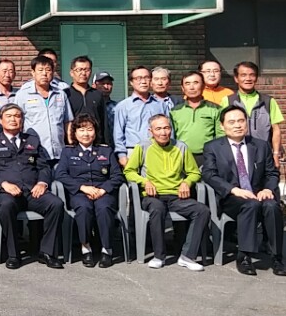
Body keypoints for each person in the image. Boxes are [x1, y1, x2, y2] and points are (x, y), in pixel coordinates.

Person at [202, 105, 286, 276]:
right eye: (232, 122)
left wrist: (268, 189)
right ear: (222, 126)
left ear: (246, 123)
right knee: (250, 205)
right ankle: (244, 256)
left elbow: (272, 173)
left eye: (241, 121)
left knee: (272, 206)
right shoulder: (213, 147)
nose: (237, 125)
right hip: (232, 197)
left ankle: (277, 257)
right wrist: (233, 189)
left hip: (258, 193)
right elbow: (209, 174)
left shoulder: (261, 146)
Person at [123, 114, 210, 271]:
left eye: (166, 128)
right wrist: (144, 182)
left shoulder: (181, 147)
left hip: (177, 196)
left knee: (202, 210)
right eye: (158, 129)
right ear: (151, 131)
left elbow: (194, 172)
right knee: (157, 209)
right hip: (153, 196)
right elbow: (129, 171)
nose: (163, 132)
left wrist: (187, 182)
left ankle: (187, 256)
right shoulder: (142, 147)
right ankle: (159, 256)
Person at [0, 103, 64, 270]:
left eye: (17, 116)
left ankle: (47, 252)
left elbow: (44, 167)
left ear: (22, 120)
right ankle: (13, 254)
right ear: (1, 120)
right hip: (8, 192)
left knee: (56, 204)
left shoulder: (32, 140)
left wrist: (42, 182)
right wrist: (3, 184)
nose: (13, 119)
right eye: (9, 116)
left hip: (33, 191)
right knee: (6, 206)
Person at [55, 113, 125, 268]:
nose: (86, 134)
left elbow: (117, 176)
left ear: (95, 131)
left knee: (104, 207)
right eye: (81, 130)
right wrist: (82, 187)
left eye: (89, 129)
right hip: (80, 192)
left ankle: (107, 249)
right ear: (74, 133)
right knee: (84, 208)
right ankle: (85, 247)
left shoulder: (106, 151)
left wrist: (103, 190)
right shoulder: (68, 152)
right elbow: (60, 174)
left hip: (103, 192)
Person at [223, 61, 285, 168]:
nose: (248, 78)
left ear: (256, 78)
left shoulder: (268, 101)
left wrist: (276, 154)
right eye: (243, 75)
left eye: (252, 75)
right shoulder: (228, 101)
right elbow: (222, 130)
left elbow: (276, 129)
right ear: (236, 78)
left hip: (263, 154)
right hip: (236, 154)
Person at [14, 55, 73, 163]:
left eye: (48, 70)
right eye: (40, 70)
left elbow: (67, 121)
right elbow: (17, 122)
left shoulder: (60, 94)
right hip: (33, 152)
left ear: (53, 72)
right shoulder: (22, 95)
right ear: (33, 72)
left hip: (58, 152)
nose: (44, 73)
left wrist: (70, 142)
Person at [113, 66, 169, 167]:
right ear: (131, 82)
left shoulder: (161, 104)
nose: (143, 81)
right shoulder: (123, 106)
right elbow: (118, 133)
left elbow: (169, 129)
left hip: (159, 150)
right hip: (133, 151)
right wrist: (121, 155)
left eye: (146, 77)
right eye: (138, 78)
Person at [169, 72, 221, 167]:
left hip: (208, 156)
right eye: (187, 84)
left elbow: (220, 136)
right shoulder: (175, 111)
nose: (191, 87)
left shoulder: (215, 109)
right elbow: (172, 136)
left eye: (196, 83)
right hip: (182, 155)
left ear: (203, 86)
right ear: (183, 88)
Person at [64, 56, 109, 147]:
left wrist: (106, 143)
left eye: (87, 70)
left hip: (96, 144)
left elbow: (104, 121)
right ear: (71, 73)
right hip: (73, 145)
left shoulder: (97, 94)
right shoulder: (65, 94)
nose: (83, 73)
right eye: (79, 70)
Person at [93, 72, 117, 139]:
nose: (106, 87)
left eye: (109, 84)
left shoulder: (117, 107)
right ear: (94, 85)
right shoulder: (90, 105)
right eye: (102, 84)